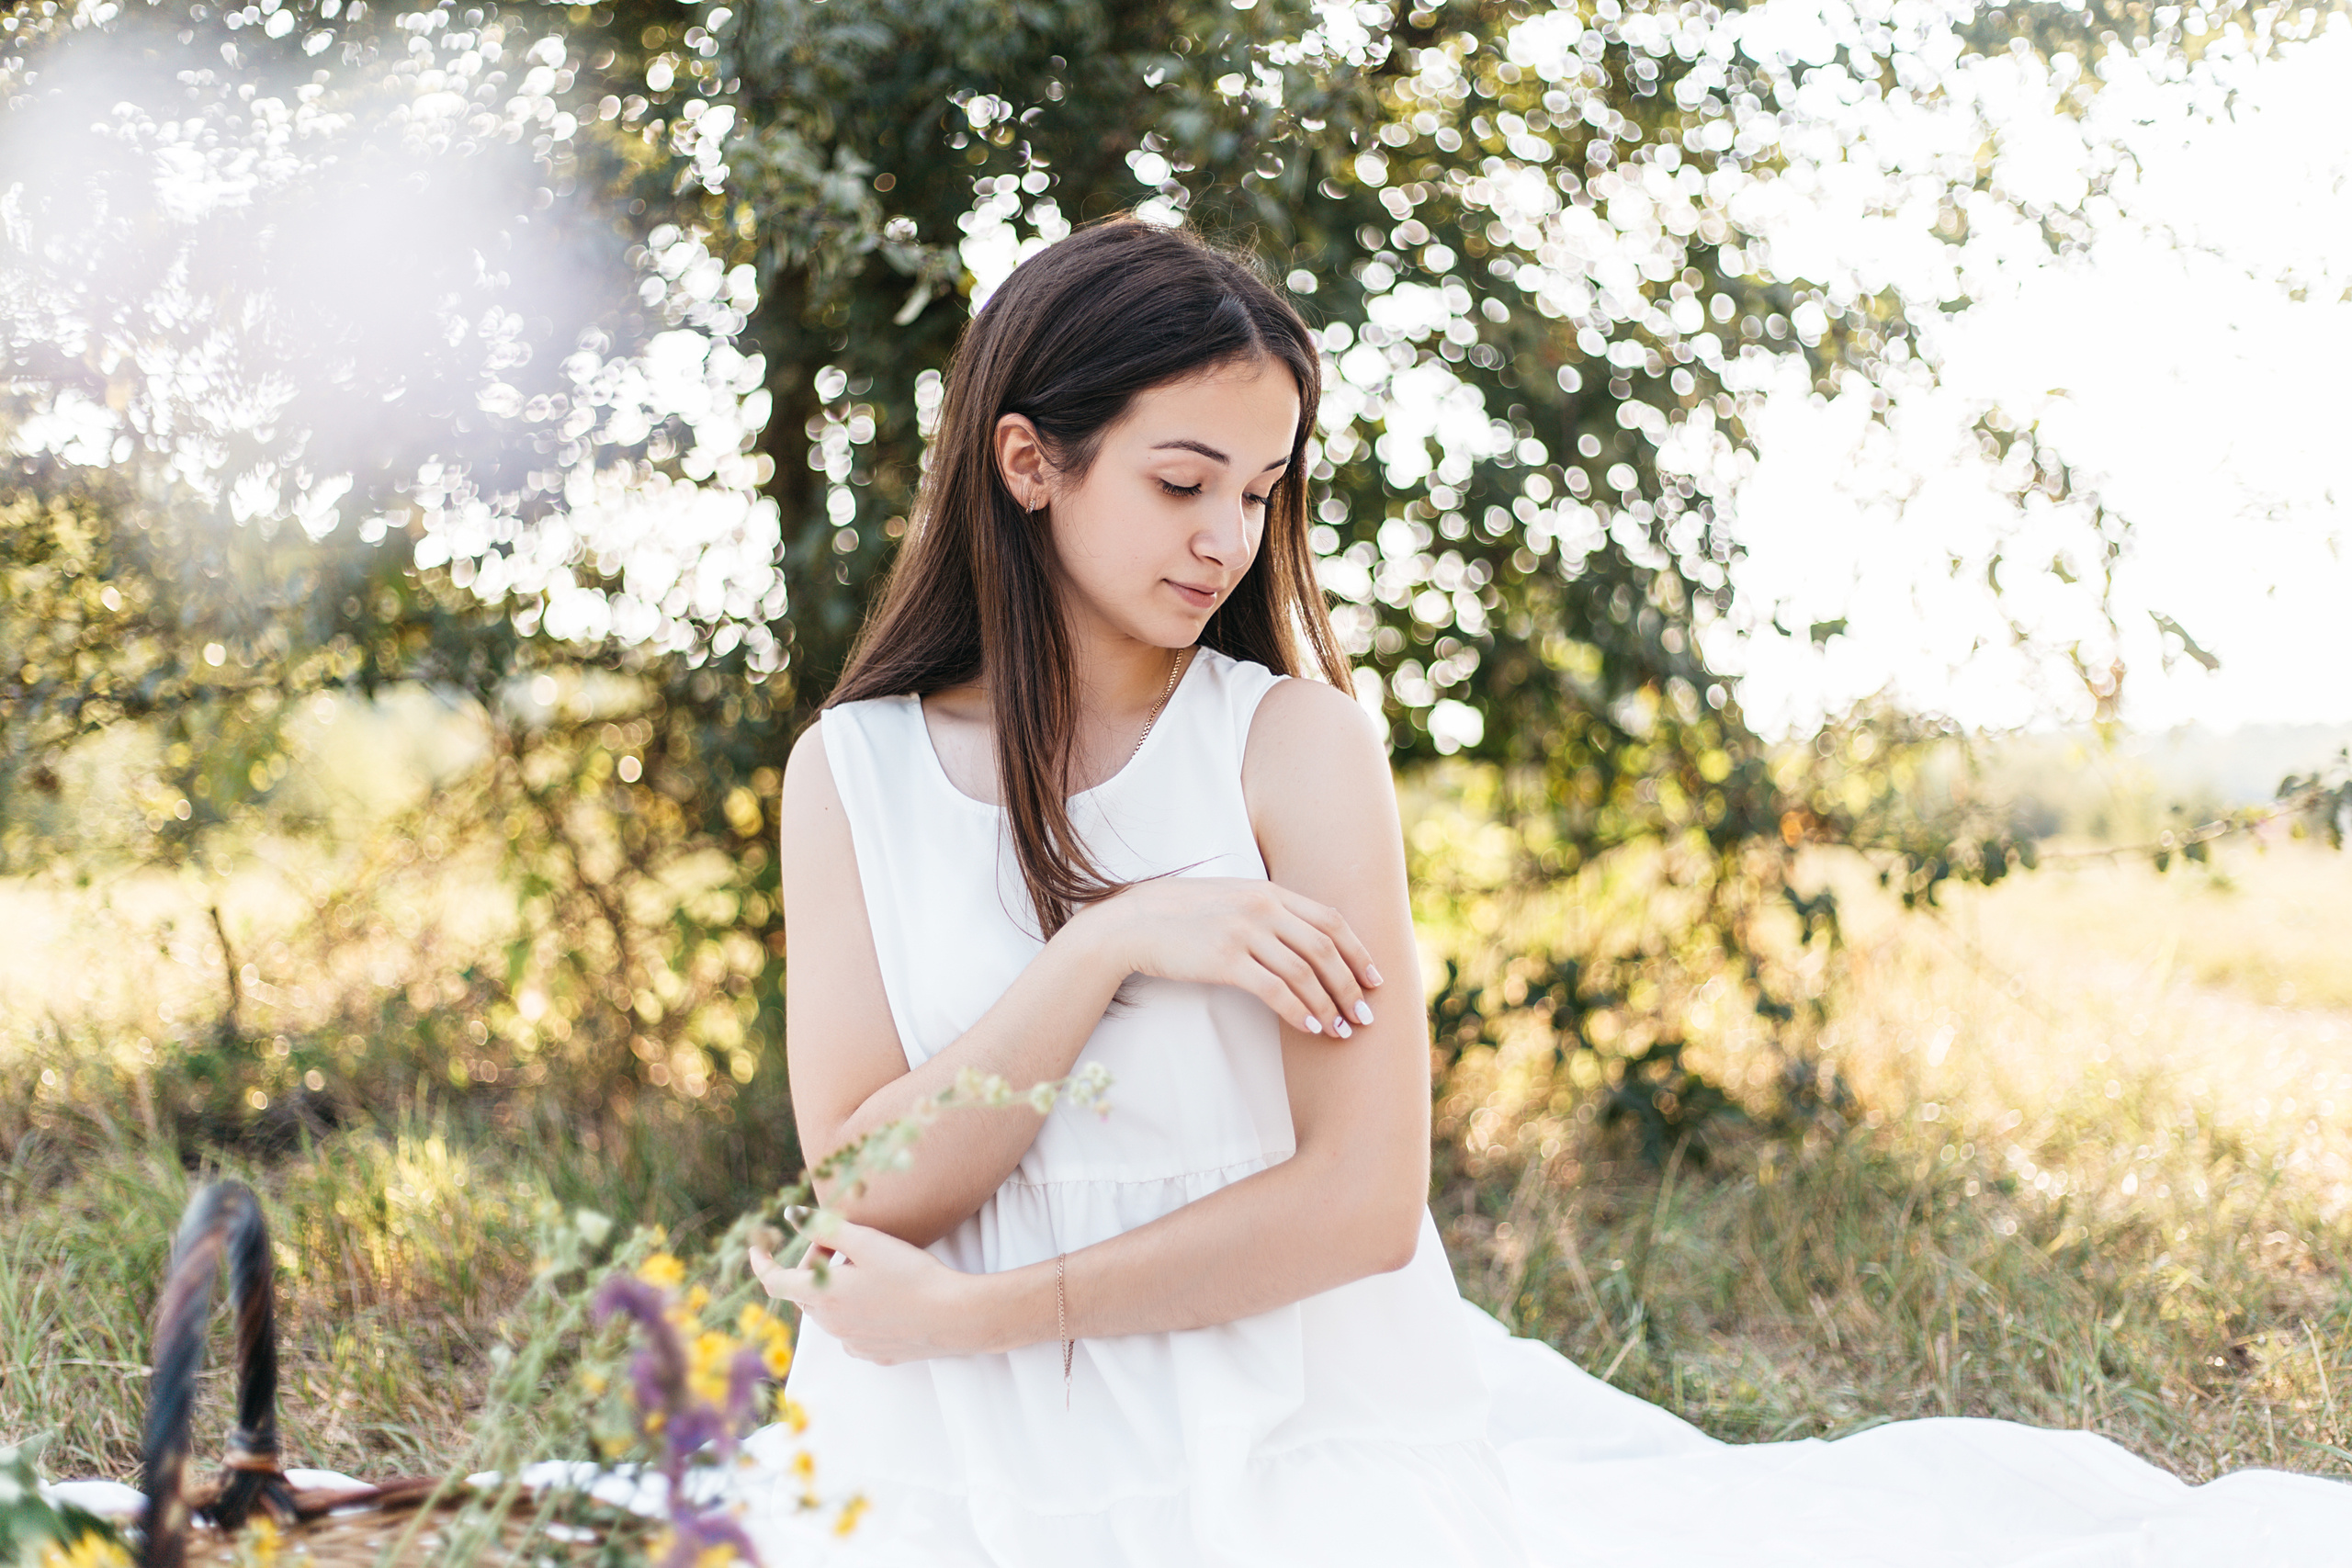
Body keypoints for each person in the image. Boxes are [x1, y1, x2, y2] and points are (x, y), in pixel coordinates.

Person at [745, 217, 2352, 1566]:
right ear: (1031, 460)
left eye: (1265, 488)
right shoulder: (855, 773)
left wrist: (993, 1317)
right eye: (1184, 483)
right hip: (937, 1443)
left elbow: (1362, 1204)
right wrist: (1105, 945)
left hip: (1270, 1411)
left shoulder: (1291, 750)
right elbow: (870, 1197)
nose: (1231, 536)